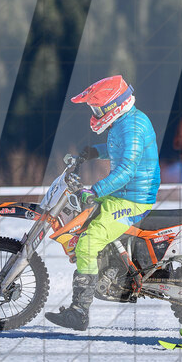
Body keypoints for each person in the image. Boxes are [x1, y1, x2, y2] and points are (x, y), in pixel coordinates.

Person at [46, 75, 160, 331]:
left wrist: (95, 190)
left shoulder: (130, 127)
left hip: (133, 199)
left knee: (87, 245)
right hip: (125, 194)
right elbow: (120, 149)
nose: (95, 113)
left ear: (113, 105)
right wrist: (94, 152)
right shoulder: (124, 123)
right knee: (86, 221)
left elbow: (127, 170)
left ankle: (79, 313)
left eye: (98, 108)